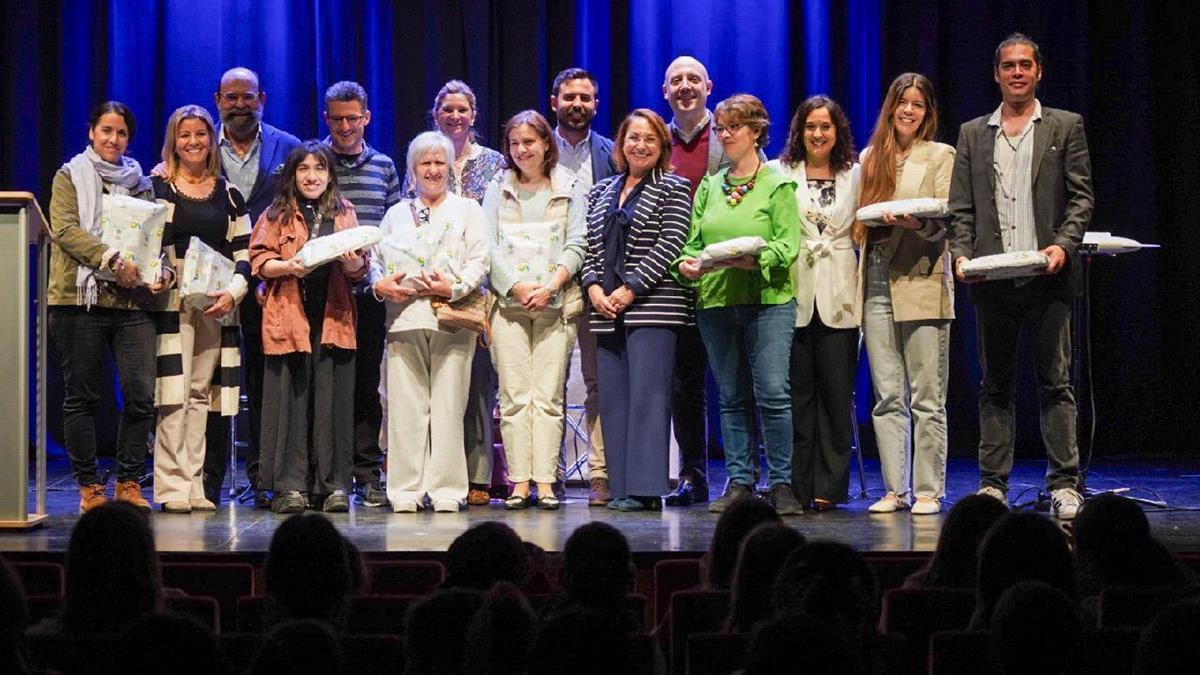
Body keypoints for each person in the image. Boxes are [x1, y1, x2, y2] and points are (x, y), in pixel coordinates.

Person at [949, 33, 1093, 520]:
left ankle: (1065, 484)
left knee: (1055, 382)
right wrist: (960, 254)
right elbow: (961, 208)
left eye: (1025, 65)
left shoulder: (1064, 126)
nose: (1016, 72)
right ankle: (993, 484)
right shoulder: (972, 133)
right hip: (993, 281)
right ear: (996, 73)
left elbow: (1081, 198)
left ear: (1038, 72)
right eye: (1008, 65)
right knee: (996, 384)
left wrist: (1063, 245)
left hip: (1047, 277)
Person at [672, 93, 803, 515]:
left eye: (734, 128)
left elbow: (786, 246)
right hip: (716, 300)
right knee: (730, 397)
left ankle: (781, 483)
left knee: (772, 393)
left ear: (756, 131)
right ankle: (740, 481)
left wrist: (747, 261)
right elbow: (691, 245)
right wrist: (688, 266)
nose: (725, 135)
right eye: (721, 128)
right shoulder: (711, 185)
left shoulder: (777, 182)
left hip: (766, 300)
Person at [48, 101, 169, 513]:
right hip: (79, 299)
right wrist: (113, 259)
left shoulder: (141, 183)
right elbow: (64, 230)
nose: (113, 139)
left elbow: (152, 240)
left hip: (131, 302)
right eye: (106, 131)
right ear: (91, 133)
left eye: (121, 133)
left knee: (140, 394)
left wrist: (160, 271)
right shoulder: (69, 176)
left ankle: (129, 482)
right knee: (81, 396)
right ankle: (89, 489)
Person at [371, 131, 489, 513]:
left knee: (449, 407)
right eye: (426, 163)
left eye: (440, 162)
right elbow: (376, 262)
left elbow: (479, 260)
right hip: (404, 318)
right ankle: (405, 490)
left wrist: (453, 287)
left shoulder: (468, 209)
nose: (433, 169)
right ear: (413, 169)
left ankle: (447, 490)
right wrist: (380, 284)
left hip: (450, 319)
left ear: (449, 167)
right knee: (406, 409)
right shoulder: (395, 214)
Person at [582, 109, 692, 511]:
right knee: (612, 399)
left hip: (654, 306)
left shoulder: (675, 188)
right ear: (621, 144)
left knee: (648, 396)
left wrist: (630, 290)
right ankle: (622, 486)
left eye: (649, 138)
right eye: (633, 137)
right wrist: (593, 288)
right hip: (605, 309)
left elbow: (671, 243)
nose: (640, 145)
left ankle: (645, 490)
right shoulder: (600, 192)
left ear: (662, 145)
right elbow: (590, 245)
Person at [856, 73, 956, 516]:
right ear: (891, 108)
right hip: (876, 278)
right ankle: (895, 489)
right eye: (902, 102)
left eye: (918, 104)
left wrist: (917, 225)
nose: (909, 111)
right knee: (887, 395)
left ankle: (929, 490)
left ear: (927, 112)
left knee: (926, 396)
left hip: (922, 278)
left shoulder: (940, 155)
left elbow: (948, 220)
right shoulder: (870, 156)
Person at [249, 141, 366, 514]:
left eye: (319, 169)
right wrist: (288, 267)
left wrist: (351, 265)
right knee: (289, 403)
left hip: (333, 319)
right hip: (290, 318)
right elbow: (259, 261)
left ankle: (332, 487)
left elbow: (359, 270)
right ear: (293, 174)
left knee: (333, 404)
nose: (312, 176)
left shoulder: (344, 211)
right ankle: (289, 486)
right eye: (304, 169)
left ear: (330, 175)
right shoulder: (276, 213)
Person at [204, 67, 302, 508]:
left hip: (270, 287)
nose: (240, 105)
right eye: (231, 97)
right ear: (218, 99)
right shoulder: (199, 144)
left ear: (262, 98)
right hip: (211, 284)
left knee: (268, 384)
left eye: (248, 97)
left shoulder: (289, 147)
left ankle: (265, 475)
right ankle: (208, 481)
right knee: (210, 382)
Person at [407, 80, 506, 506]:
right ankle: (430, 474)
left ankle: (478, 474)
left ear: (474, 114)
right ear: (436, 114)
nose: (455, 116)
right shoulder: (422, 158)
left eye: (462, 109)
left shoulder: (495, 164)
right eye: (447, 109)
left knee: (477, 385)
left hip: (476, 287)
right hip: (427, 290)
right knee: (432, 389)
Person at [483, 110, 587, 511]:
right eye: (514, 143)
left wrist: (549, 286)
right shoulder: (498, 187)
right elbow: (487, 245)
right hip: (507, 305)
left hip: (556, 304)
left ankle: (545, 481)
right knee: (513, 397)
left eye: (529, 141)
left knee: (546, 397)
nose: (522, 149)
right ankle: (519, 482)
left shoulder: (569, 186)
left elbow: (578, 242)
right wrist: (517, 286)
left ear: (547, 143)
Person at [151, 104, 251, 514]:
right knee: (172, 394)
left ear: (212, 140)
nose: (193, 142)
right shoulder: (158, 187)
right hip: (173, 301)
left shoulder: (228, 194)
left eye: (201, 134)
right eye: (184, 135)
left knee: (199, 394)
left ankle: (193, 484)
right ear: (174, 141)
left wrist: (235, 292)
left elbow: (244, 253)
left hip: (215, 302)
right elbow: (148, 243)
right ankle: (171, 485)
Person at [768, 95, 862, 511]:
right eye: (810, 127)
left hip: (841, 290)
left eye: (826, 127)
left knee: (837, 396)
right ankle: (798, 484)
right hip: (795, 290)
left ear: (837, 131)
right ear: (799, 132)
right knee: (798, 396)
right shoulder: (779, 172)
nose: (818, 134)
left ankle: (830, 486)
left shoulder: (855, 175)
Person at [322, 80, 402, 508]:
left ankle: (368, 473)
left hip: (369, 293)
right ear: (326, 119)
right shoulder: (313, 161)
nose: (346, 126)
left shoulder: (384, 166)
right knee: (328, 384)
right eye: (337, 119)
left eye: (353, 118)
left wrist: (373, 273)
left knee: (367, 386)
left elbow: (392, 231)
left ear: (366, 118)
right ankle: (331, 475)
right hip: (324, 293)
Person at [551, 67, 618, 506]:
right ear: (554, 101)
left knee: (598, 382)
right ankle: (546, 473)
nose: (578, 105)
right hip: (548, 282)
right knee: (548, 383)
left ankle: (600, 473)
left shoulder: (612, 153)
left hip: (596, 284)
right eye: (569, 97)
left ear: (596, 103)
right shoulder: (532, 148)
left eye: (586, 98)